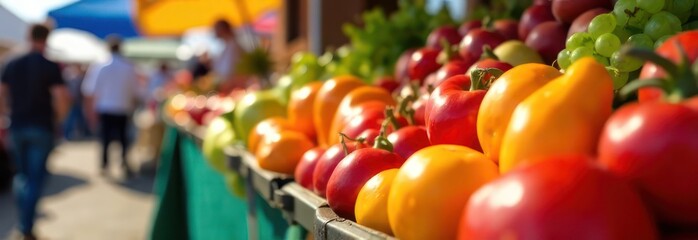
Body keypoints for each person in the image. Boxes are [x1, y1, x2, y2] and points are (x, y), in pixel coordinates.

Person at [0, 24, 71, 240]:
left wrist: (6, 114)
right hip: (40, 126)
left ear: (28, 36)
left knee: (21, 176)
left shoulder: (12, 63)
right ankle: (26, 226)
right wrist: (58, 119)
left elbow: (2, 93)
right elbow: (61, 97)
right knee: (34, 178)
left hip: (17, 126)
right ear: (47, 39)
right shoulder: (49, 65)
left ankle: (24, 220)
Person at [82, 35, 140, 177]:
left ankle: (104, 165)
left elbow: (90, 90)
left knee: (105, 138)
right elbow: (135, 91)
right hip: (122, 108)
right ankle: (123, 162)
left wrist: (90, 112)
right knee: (123, 138)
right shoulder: (129, 66)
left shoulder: (100, 66)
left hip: (105, 107)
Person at [212, 19, 246, 91]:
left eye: (216, 28)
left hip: (235, 89)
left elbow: (229, 70)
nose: (214, 32)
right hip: (231, 88)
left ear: (223, 29)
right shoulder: (229, 45)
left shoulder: (233, 46)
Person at [62, 64, 91, 140]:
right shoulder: (72, 78)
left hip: (78, 102)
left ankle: (83, 133)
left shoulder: (79, 78)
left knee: (78, 118)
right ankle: (67, 134)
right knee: (72, 118)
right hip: (73, 102)